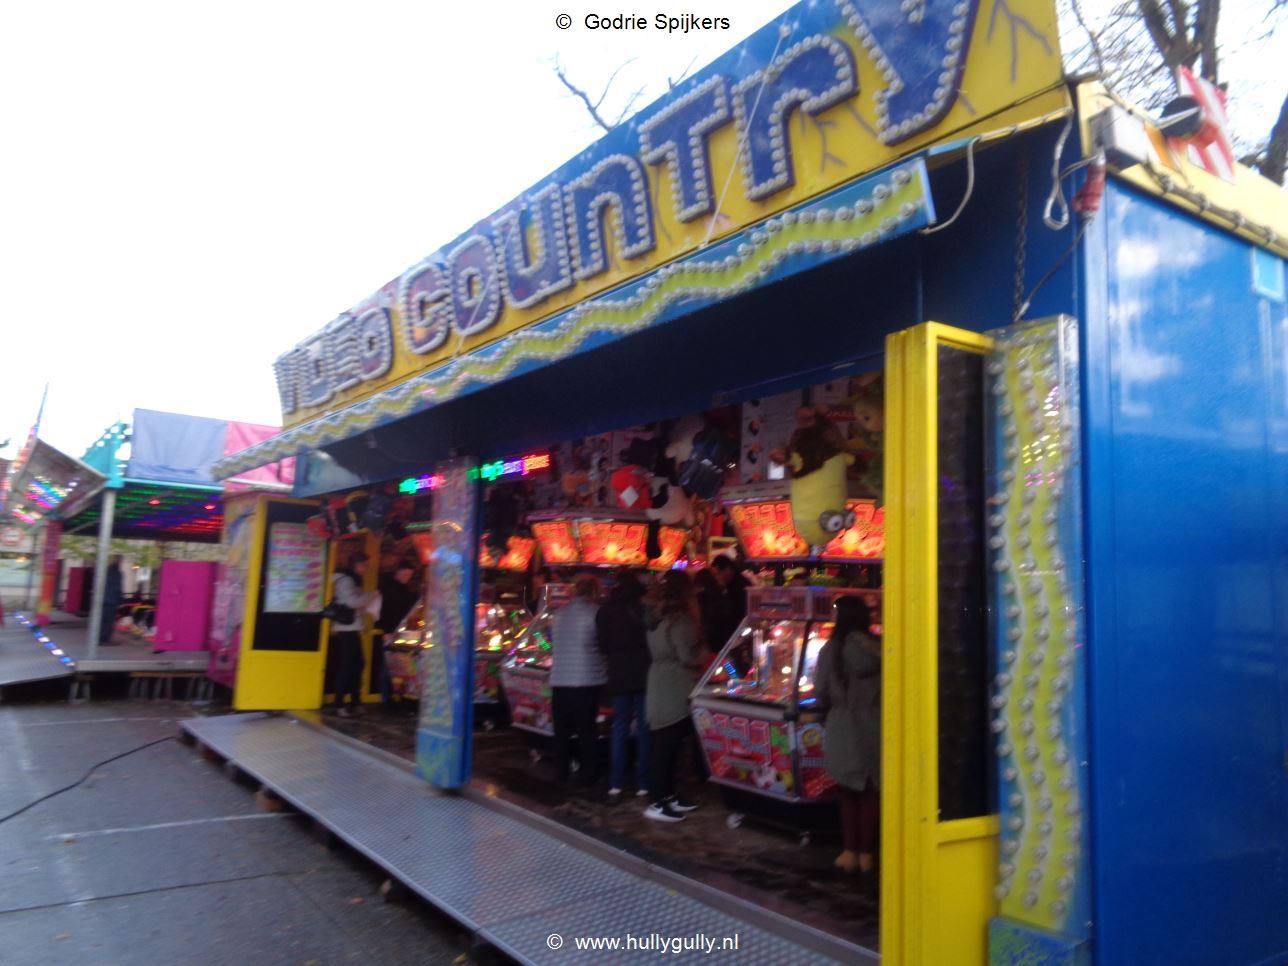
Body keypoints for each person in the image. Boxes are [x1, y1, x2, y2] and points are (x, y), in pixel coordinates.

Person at [814, 596, 882, 874]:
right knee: (870, 792)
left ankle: (848, 851)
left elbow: (820, 691)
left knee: (848, 792)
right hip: (874, 723)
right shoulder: (880, 648)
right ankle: (866, 854)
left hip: (842, 724)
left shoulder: (831, 650)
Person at [643, 570, 706, 823]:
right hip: (675, 685)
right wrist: (706, 651)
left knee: (665, 744)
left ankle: (668, 796)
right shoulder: (680, 620)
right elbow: (687, 655)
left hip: (659, 681)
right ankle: (658, 801)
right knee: (667, 746)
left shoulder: (656, 616)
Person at [594, 570, 651, 799]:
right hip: (644, 672)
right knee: (644, 728)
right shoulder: (644, 608)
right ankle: (643, 782)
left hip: (618, 672)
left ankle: (616, 782)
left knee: (620, 727)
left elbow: (602, 645)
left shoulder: (606, 610)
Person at [549, 573, 607, 784]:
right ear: (594, 591)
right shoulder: (596, 612)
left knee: (561, 732)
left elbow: (552, 642)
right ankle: (589, 773)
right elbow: (601, 644)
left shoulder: (559, 614)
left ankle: (561, 772)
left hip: (559, 679)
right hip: (587, 679)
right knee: (586, 729)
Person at [330, 552, 376, 717]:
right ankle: (341, 703)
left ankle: (354, 701)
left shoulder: (353, 580)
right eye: (364, 565)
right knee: (349, 665)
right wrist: (370, 596)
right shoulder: (347, 580)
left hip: (351, 627)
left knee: (357, 664)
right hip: (346, 628)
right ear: (355, 565)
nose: (365, 568)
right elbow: (352, 602)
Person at [374, 560, 418, 708]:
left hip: (399, 630)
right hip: (390, 630)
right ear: (398, 572)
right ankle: (386, 697)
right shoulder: (389, 588)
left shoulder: (403, 588)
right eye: (405, 574)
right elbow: (384, 612)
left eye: (409, 575)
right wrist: (386, 631)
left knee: (396, 664)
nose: (407, 578)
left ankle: (394, 695)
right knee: (388, 664)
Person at [99, 555, 123, 645]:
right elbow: (117, 588)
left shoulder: (105, 571)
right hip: (111, 601)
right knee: (109, 622)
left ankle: (100, 638)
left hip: (103, 600)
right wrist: (120, 601)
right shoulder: (117, 573)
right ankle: (105, 639)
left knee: (103, 621)